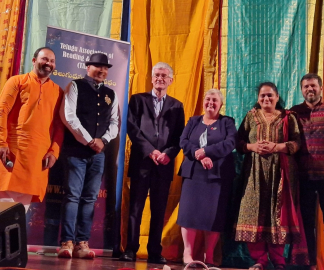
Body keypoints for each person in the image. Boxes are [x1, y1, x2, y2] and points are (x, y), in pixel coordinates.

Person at [235, 82, 307, 270]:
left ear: (277, 97)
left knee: (278, 216)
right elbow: (239, 142)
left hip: (281, 173)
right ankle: (259, 260)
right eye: (262, 96)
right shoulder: (251, 116)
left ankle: (278, 260)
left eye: (270, 96)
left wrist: (278, 147)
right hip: (254, 173)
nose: (266, 99)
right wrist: (252, 147)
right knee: (253, 213)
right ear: (258, 99)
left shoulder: (288, 117)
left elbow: (297, 142)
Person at [119, 62, 185, 264]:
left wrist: (167, 154)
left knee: (159, 210)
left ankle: (155, 251)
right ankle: (130, 249)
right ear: (151, 78)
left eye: (164, 76)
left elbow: (179, 137)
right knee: (136, 209)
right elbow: (132, 129)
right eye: (157, 75)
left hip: (164, 165)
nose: (160, 79)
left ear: (171, 80)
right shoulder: (138, 100)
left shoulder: (177, 105)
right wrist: (151, 151)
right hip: (142, 163)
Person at [58, 53, 119, 259]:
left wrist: (103, 140)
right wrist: (89, 140)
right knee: (72, 196)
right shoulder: (75, 86)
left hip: (98, 154)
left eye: (105, 68)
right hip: (75, 151)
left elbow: (114, 122)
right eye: (98, 66)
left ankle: (82, 243)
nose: (102, 70)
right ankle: (66, 242)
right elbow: (68, 116)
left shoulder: (111, 93)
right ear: (88, 67)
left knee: (90, 198)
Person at [0, 47, 63, 212]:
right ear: (34, 61)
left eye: (52, 61)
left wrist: (54, 151)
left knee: (18, 217)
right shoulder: (17, 81)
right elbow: (1, 111)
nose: (48, 63)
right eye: (44, 59)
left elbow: (59, 126)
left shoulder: (58, 91)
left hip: (37, 161)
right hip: (12, 154)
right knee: (1, 215)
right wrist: (0, 143)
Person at [177, 89, 237, 267]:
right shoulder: (193, 121)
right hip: (194, 173)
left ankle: (208, 255)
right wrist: (199, 154)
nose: (210, 103)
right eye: (208, 99)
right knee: (189, 213)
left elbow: (230, 142)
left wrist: (208, 151)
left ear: (221, 104)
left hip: (217, 175)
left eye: (215, 100)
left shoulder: (227, 122)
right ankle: (187, 254)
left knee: (213, 215)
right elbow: (183, 141)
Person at [290, 73, 324, 270]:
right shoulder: (293, 113)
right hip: (304, 178)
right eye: (306, 87)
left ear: (320, 88)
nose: (310, 89)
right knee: (306, 224)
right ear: (301, 90)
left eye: (313, 86)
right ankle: (309, 264)